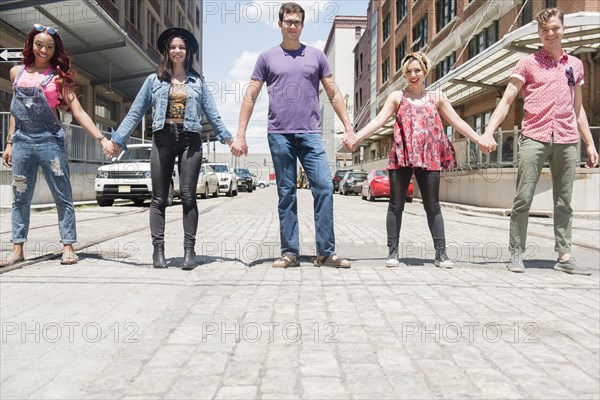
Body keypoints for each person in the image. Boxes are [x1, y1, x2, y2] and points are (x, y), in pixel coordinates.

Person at [231, 2, 355, 268]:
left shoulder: (316, 56)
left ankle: (326, 253)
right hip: (279, 135)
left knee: (323, 187)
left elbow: (333, 93)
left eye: (297, 22)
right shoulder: (266, 57)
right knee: (286, 193)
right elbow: (251, 95)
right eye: (288, 21)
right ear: (280, 24)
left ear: (302, 25)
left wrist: (349, 126)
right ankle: (290, 252)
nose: (292, 26)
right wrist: (240, 134)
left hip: (311, 134)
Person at [345, 52, 495, 268]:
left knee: (432, 205)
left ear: (425, 71)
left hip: (429, 156)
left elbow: (458, 122)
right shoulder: (397, 97)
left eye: (417, 70)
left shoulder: (437, 97)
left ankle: (441, 254)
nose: (413, 75)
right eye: (408, 72)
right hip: (402, 156)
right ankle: (393, 252)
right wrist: (357, 137)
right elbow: (378, 121)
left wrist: (479, 138)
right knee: (395, 205)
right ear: (404, 75)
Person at [107, 27, 236, 270]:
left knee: (188, 195)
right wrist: (117, 140)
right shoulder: (153, 80)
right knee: (159, 198)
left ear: (188, 52)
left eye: (182, 47)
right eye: (173, 47)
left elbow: (213, 115)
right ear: (167, 51)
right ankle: (158, 251)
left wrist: (229, 139)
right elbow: (135, 111)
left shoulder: (198, 82)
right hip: (163, 138)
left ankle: (189, 251)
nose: (177, 51)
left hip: (190, 139)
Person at [482, 8, 598, 275]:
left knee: (564, 200)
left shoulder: (575, 65)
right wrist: (488, 131)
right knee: (523, 197)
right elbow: (508, 98)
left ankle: (564, 255)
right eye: (544, 30)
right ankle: (516, 253)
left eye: (555, 28)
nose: (550, 34)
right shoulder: (528, 63)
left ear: (563, 29)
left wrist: (590, 143)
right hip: (534, 136)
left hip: (568, 138)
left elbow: (578, 108)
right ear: (539, 33)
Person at [0, 24, 113, 267]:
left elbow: (79, 112)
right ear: (31, 44)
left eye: (49, 47)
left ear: (54, 50)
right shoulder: (16, 72)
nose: (43, 49)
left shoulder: (59, 78)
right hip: (22, 144)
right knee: (20, 196)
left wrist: (102, 139)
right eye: (39, 44)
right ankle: (17, 249)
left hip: (50, 142)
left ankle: (68, 246)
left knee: (62, 195)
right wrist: (9, 143)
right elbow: (14, 111)